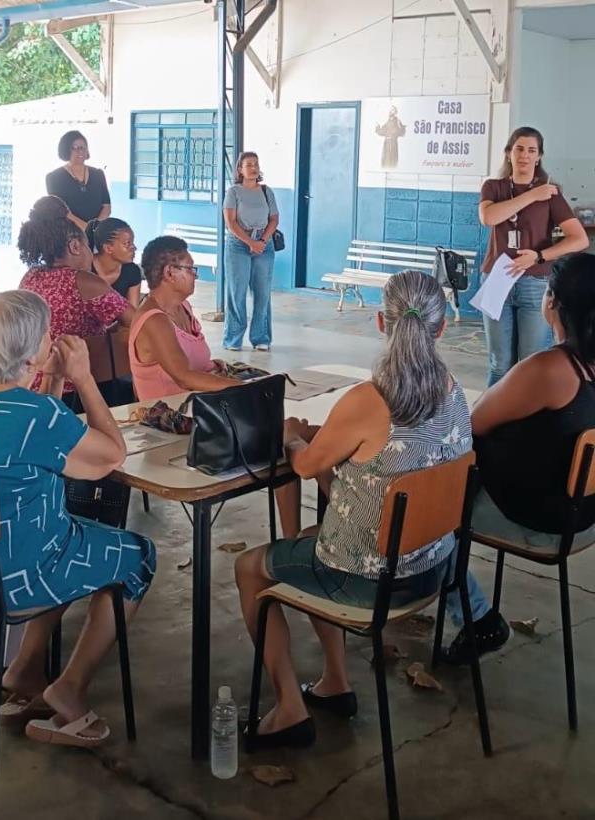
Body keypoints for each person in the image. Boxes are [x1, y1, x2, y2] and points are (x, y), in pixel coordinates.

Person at [234, 271, 506, 749]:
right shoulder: (453, 391)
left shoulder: (368, 400)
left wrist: (294, 433)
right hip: (434, 569)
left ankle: (288, 710)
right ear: (441, 329)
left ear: (381, 321)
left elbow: (303, 466)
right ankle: (334, 682)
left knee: (250, 569)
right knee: (323, 536)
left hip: (370, 582)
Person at [0, 290, 156, 746]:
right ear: (27, 348)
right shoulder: (37, 415)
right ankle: (69, 689)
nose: (52, 338)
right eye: (46, 332)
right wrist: (85, 377)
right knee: (138, 557)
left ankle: (22, 672)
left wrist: (52, 382)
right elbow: (109, 456)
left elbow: (43, 441)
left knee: (68, 544)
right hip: (14, 579)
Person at [471, 252, 595, 554]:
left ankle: (458, 596)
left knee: (435, 489)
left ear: (551, 301)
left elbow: (473, 422)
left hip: (539, 520)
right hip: (584, 514)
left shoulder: (549, 369)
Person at [479, 126, 588, 385]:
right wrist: (531, 195)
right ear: (508, 153)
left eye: (531, 150)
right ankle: (494, 421)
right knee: (499, 362)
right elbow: (489, 217)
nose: (525, 156)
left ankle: (529, 422)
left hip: (534, 283)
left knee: (532, 361)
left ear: (539, 156)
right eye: (519, 149)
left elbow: (579, 239)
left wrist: (539, 256)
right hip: (497, 281)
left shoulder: (550, 193)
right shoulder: (493, 187)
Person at [18, 196, 134, 397]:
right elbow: (139, 321)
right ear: (75, 246)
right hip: (76, 387)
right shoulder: (84, 281)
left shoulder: (30, 276)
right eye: (88, 246)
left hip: (32, 383)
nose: (91, 253)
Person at [130, 236, 238, 399]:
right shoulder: (154, 320)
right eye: (190, 269)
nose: (195, 275)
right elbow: (184, 377)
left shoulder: (183, 307)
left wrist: (214, 368)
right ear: (169, 273)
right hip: (171, 413)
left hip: (197, 402)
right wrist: (247, 388)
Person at [223, 151, 279, 352]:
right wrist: (249, 242)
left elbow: (274, 218)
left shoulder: (266, 191)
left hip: (264, 244)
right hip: (238, 244)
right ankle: (233, 339)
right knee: (236, 292)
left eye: (256, 163)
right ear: (240, 169)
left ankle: (261, 337)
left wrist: (262, 241)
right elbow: (230, 222)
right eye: (249, 165)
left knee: (262, 293)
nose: (254, 167)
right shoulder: (234, 192)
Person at [46, 131, 111, 232]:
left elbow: (106, 205)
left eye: (82, 147)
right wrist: (86, 228)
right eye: (74, 148)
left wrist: (96, 228)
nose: (80, 151)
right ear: (66, 150)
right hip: (69, 234)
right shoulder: (54, 177)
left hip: (97, 235)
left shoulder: (98, 174)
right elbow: (60, 211)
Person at [87, 217, 142, 308]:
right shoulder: (84, 268)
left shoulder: (132, 271)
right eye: (127, 243)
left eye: (132, 243)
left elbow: (132, 316)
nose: (134, 248)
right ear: (108, 248)